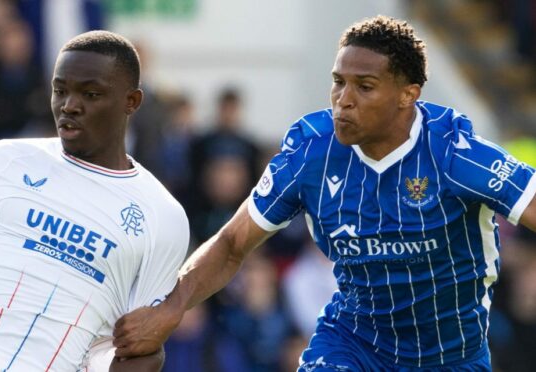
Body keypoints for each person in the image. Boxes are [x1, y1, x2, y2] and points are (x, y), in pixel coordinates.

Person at [112, 15, 536, 371]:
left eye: (364, 86)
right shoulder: (311, 153)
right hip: (352, 345)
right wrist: (170, 309)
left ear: (408, 94)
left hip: (450, 355)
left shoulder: (455, 153)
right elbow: (231, 243)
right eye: (338, 83)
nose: (342, 101)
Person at [0, 30, 189, 371]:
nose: (69, 106)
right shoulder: (7, 159)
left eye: (90, 93)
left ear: (131, 102)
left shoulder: (162, 216)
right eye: (60, 90)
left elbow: (141, 351)